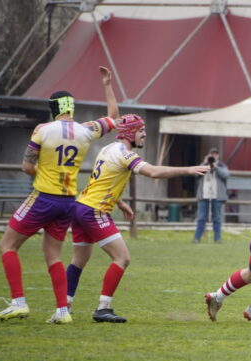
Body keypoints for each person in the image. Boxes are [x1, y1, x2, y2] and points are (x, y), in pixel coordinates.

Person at [0, 66, 118, 324]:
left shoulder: (42, 129)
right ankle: (62, 311)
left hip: (43, 198)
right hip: (68, 202)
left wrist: (43, 171)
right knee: (54, 256)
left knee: (7, 245)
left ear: (53, 108)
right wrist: (107, 84)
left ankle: (18, 303)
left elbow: (27, 166)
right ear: (72, 108)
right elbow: (114, 117)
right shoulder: (86, 130)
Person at [64, 114, 208, 323]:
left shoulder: (107, 149)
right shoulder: (125, 154)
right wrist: (188, 169)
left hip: (80, 207)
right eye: (141, 131)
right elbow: (153, 172)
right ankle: (103, 308)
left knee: (78, 261)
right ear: (130, 133)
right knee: (122, 258)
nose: (144, 134)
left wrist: (120, 203)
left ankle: (64, 307)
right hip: (94, 211)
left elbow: (103, 180)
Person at [193, 147, 230, 243]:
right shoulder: (204, 165)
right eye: (212, 154)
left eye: (216, 154)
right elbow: (196, 174)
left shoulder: (221, 165)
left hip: (217, 196)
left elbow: (226, 175)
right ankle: (197, 238)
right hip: (204, 195)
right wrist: (204, 163)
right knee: (201, 217)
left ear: (218, 155)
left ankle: (217, 238)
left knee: (217, 218)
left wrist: (216, 167)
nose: (214, 156)